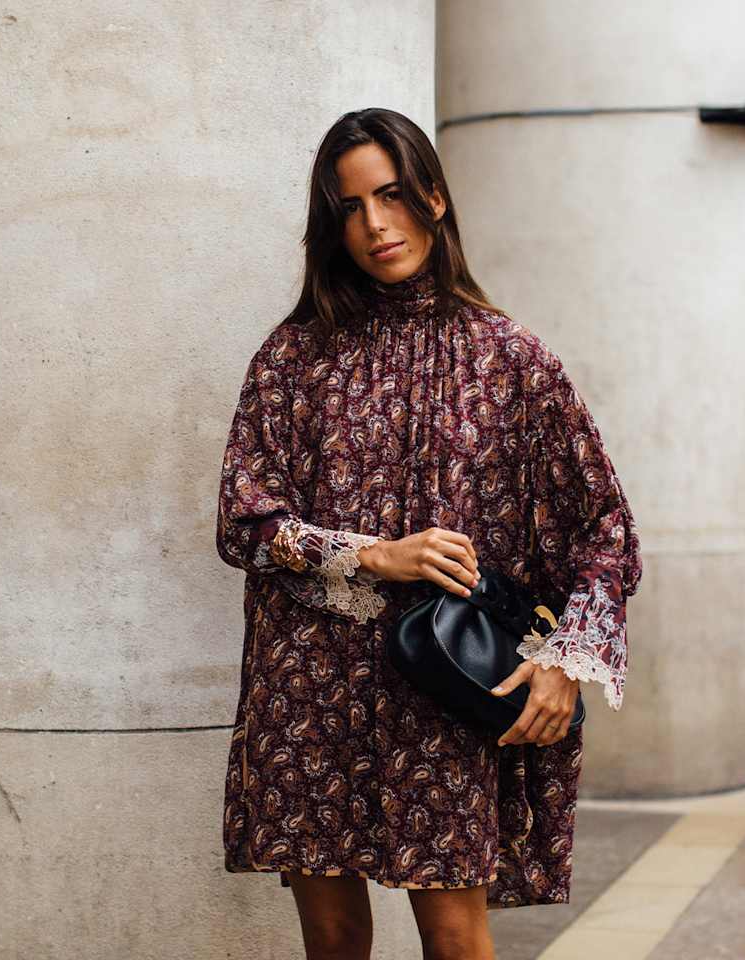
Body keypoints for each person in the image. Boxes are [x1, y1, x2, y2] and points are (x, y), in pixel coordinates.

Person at [216, 107, 642, 960]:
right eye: (348, 207)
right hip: (308, 689)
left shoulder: (511, 359)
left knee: (454, 935)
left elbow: (606, 528)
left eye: (392, 196)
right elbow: (242, 518)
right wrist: (370, 553)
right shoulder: (294, 357)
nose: (374, 224)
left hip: (440, 686)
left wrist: (567, 662)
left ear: (435, 200)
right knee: (332, 939)